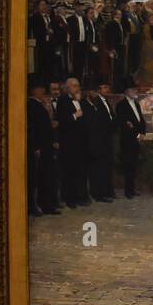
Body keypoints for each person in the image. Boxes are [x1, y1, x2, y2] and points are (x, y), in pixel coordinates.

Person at [54, 77, 90, 208]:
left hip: (81, 143)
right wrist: (75, 115)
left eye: (78, 85)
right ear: (67, 87)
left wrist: (81, 103)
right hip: (69, 143)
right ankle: (70, 199)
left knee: (80, 171)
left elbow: (86, 119)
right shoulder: (63, 100)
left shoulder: (81, 101)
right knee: (69, 172)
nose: (77, 88)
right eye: (74, 86)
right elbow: (61, 121)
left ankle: (81, 196)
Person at [26, 78, 59, 216]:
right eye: (40, 88)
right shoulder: (31, 105)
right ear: (34, 90)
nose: (43, 91)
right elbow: (32, 129)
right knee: (38, 179)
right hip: (40, 148)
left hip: (46, 146)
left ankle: (47, 205)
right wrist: (36, 147)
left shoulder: (39, 104)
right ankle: (36, 207)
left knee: (47, 177)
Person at [85, 81, 118, 202]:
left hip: (107, 139)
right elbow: (99, 122)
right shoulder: (97, 102)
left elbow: (112, 117)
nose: (107, 90)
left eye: (107, 87)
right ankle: (99, 193)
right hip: (98, 141)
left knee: (107, 167)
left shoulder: (105, 101)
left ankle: (108, 191)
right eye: (104, 87)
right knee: (98, 169)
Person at [116, 80, 146, 198]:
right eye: (133, 89)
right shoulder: (121, 105)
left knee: (134, 166)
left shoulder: (137, 104)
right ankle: (128, 191)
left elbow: (140, 121)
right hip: (128, 140)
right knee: (128, 166)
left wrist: (142, 132)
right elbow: (126, 125)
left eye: (135, 89)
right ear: (127, 91)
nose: (135, 91)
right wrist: (137, 134)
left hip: (137, 139)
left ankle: (133, 189)